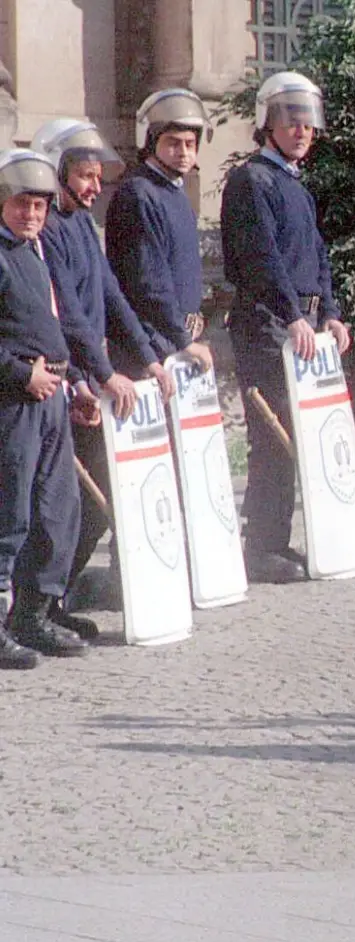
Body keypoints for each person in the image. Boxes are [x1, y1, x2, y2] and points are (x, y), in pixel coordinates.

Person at [31, 117, 174, 637]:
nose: (95, 187)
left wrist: (149, 357)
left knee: (93, 503)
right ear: (57, 171)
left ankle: (56, 598)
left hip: (89, 381)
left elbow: (111, 297)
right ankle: (35, 609)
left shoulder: (83, 226)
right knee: (57, 504)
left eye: (97, 177)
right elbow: (67, 312)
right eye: (86, 176)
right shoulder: (45, 228)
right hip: (65, 383)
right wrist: (105, 373)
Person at [221, 71, 350, 584]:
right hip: (268, 324)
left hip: (303, 322)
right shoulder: (252, 181)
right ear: (268, 124)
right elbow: (260, 258)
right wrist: (293, 314)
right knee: (272, 435)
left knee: (304, 432)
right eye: (291, 122)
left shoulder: (296, 185)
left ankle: (282, 535)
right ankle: (262, 545)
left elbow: (316, 255)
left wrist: (330, 313)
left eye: (308, 124)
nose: (302, 132)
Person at [0, 149, 101, 664]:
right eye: (21, 205)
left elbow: (56, 324)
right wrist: (23, 373)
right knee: (10, 511)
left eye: (39, 206)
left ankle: (34, 613)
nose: (32, 215)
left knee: (57, 509)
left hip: (55, 397)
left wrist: (78, 383)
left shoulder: (37, 252)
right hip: (15, 401)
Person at [104, 89, 214, 376]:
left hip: (177, 338)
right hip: (151, 343)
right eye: (173, 143)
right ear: (151, 141)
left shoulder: (175, 192)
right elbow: (149, 280)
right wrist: (183, 338)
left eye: (190, 144)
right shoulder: (139, 193)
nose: (184, 152)